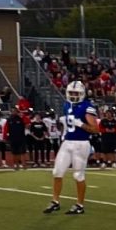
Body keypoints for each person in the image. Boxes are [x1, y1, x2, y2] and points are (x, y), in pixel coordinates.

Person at [44, 81, 101, 215]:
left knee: (78, 175)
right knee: (57, 172)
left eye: (76, 93)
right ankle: (55, 201)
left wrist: (81, 124)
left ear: (82, 94)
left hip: (81, 143)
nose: (74, 96)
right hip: (67, 142)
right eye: (71, 93)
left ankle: (80, 205)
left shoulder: (88, 107)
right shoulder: (66, 105)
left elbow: (95, 129)